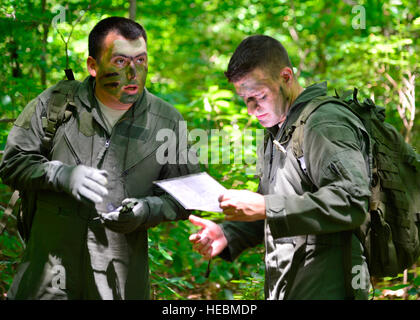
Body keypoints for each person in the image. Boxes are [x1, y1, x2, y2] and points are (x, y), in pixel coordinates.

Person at [0, 16, 199, 299]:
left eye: (141, 61)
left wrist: (147, 209)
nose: (133, 73)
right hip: (48, 274)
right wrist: (59, 174)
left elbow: (190, 193)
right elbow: (12, 163)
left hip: (119, 280)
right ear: (93, 66)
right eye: (120, 61)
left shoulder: (165, 120)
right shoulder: (55, 104)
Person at [189, 35, 371, 300]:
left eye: (259, 96)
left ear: (286, 77)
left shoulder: (325, 123)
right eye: (245, 98)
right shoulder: (278, 130)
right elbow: (278, 209)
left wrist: (265, 206)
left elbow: (353, 200)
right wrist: (227, 234)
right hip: (288, 287)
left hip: (330, 287)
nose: (251, 109)